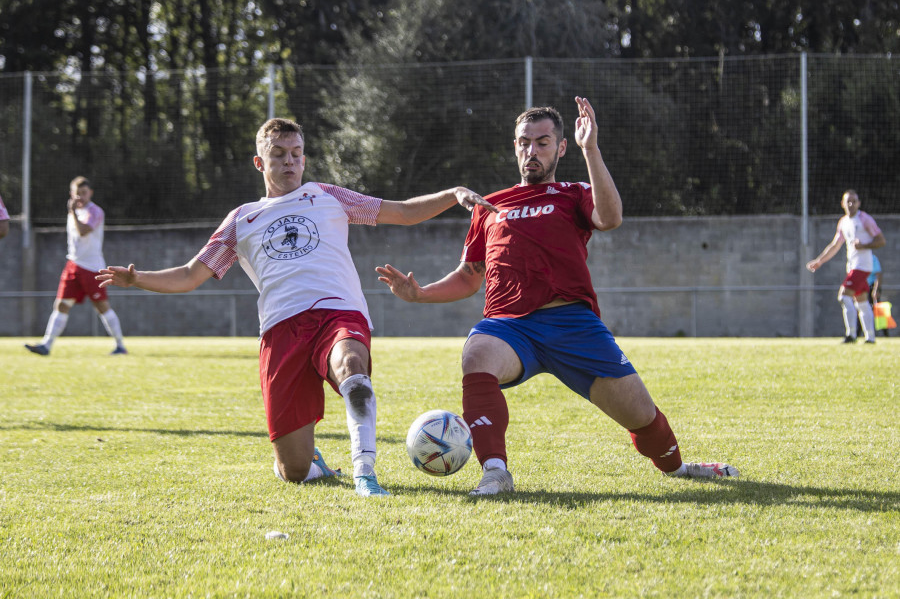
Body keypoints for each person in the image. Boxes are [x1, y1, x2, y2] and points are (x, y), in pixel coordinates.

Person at [97, 117, 493, 498]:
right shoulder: (241, 219)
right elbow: (189, 275)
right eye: (279, 154)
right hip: (280, 331)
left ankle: (365, 473)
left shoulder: (327, 196)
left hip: (338, 312)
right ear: (260, 162)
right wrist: (138, 279)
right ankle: (312, 462)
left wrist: (452, 193)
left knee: (352, 365)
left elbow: (403, 212)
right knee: (295, 471)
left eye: (297, 153)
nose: (290, 161)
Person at [376, 98, 739, 496]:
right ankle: (496, 472)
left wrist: (591, 148)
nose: (532, 151)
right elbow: (468, 278)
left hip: (573, 326)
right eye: (524, 143)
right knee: (476, 356)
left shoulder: (575, 193)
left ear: (561, 147)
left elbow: (611, 218)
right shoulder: (488, 207)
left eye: (543, 142)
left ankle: (679, 467)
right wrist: (420, 293)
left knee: (643, 418)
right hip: (510, 327)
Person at [25, 177, 128, 356]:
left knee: (102, 307)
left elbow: (83, 231)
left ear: (90, 193)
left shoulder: (95, 211)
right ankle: (46, 345)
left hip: (92, 267)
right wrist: (73, 212)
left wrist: (72, 212)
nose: (81, 196)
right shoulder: (74, 211)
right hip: (73, 264)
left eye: (84, 193)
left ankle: (120, 346)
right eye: (77, 193)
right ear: (72, 194)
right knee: (61, 305)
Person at [806, 190, 886, 344]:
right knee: (861, 301)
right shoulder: (843, 222)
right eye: (848, 201)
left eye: (854, 201)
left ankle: (851, 335)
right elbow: (835, 245)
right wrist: (819, 261)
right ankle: (870, 338)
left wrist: (864, 245)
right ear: (842, 204)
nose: (851, 204)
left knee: (843, 296)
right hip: (852, 266)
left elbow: (881, 240)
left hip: (862, 266)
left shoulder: (865, 219)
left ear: (859, 203)